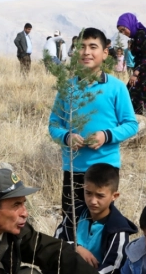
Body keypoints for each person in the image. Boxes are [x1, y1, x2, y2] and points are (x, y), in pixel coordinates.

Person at [48, 27, 138, 248]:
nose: (86, 52)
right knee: (71, 221)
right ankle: (70, 273)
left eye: (93, 47)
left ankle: (102, 273)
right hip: (73, 169)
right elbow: (53, 125)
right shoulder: (67, 88)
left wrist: (106, 135)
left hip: (105, 168)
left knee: (101, 223)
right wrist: (67, 136)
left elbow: (131, 124)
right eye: (81, 47)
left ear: (105, 52)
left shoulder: (116, 88)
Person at [54, 163, 138, 274]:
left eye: (100, 195)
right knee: (53, 260)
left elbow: (115, 266)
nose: (93, 201)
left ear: (115, 196)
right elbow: (57, 239)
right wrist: (75, 247)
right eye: (88, 193)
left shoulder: (119, 227)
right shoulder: (75, 212)